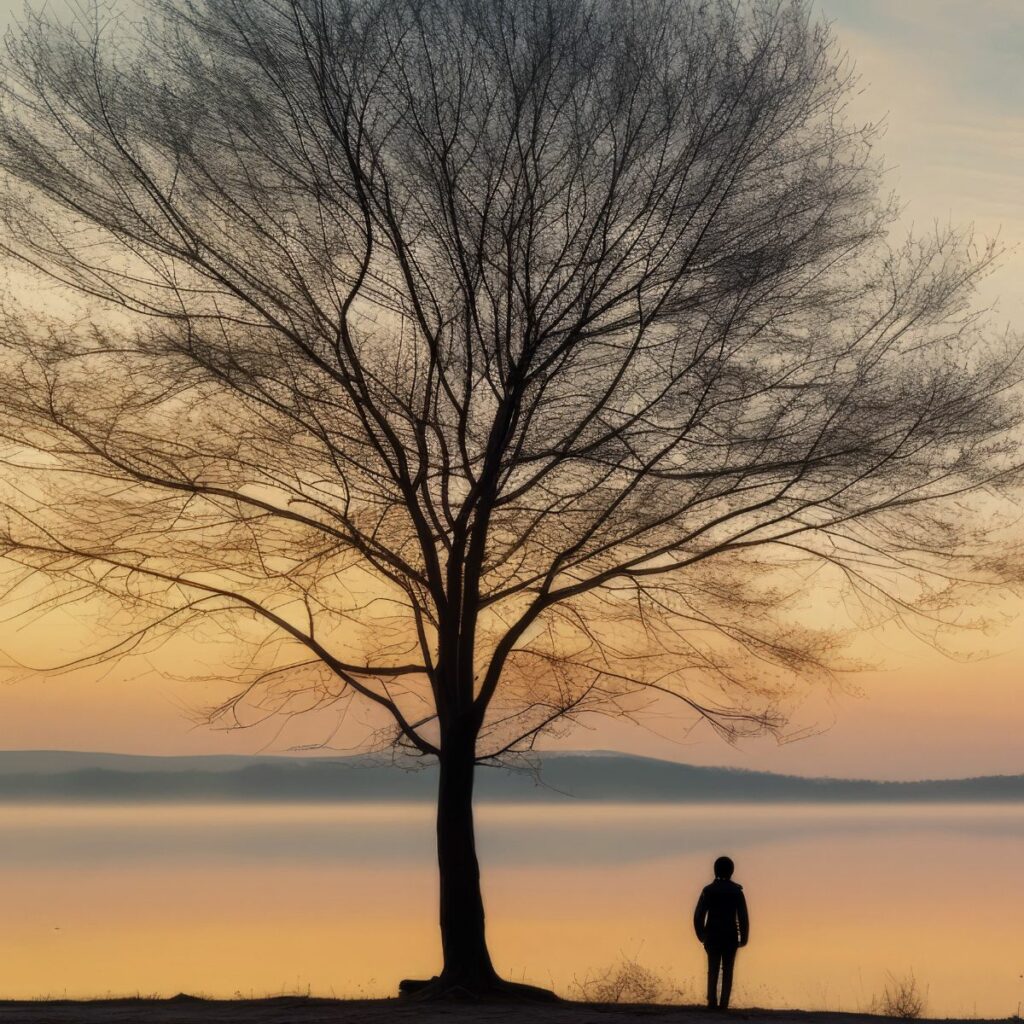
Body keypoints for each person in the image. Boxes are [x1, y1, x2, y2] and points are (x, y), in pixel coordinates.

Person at [693, 855, 749, 1010]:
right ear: (731, 871)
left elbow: (699, 915)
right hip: (730, 936)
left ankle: (712, 1001)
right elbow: (743, 916)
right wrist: (744, 938)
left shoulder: (709, 891)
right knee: (728, 970)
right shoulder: (736, 892)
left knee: (713, 968)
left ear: (715, 870)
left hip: (712, 935)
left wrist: (701, 934)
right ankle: (724, 1003)